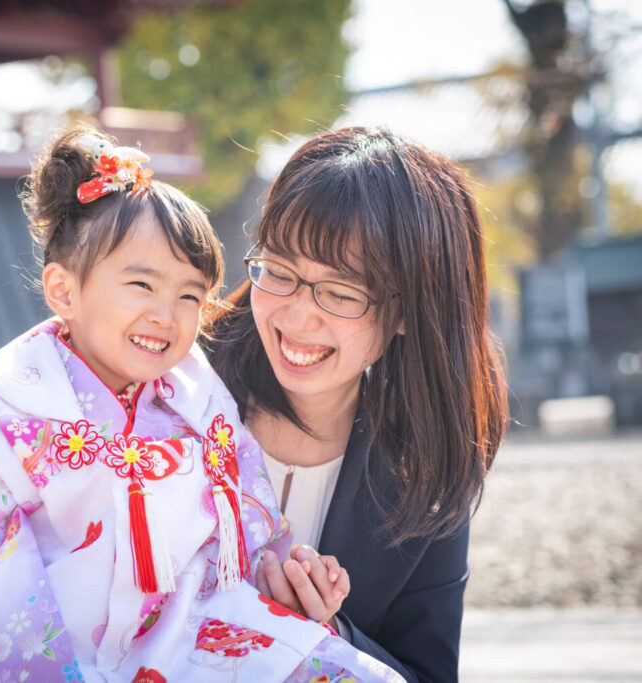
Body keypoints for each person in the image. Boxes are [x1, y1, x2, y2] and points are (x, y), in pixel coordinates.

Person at [0, 125, 403, 682]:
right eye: (141, 285)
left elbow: (244, 541)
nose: (167, 315)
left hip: (194, 635)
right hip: (58, 654)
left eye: (188, 295)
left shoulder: (200, 405)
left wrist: (295, 579)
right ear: (63, 290)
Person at [206, 127, 509, 683]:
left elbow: (427, 672)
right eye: (278, 271)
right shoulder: (172, 380)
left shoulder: (428, 472)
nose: (297, 318)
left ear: (404, 313)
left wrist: (328, 636)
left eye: (341, 293)